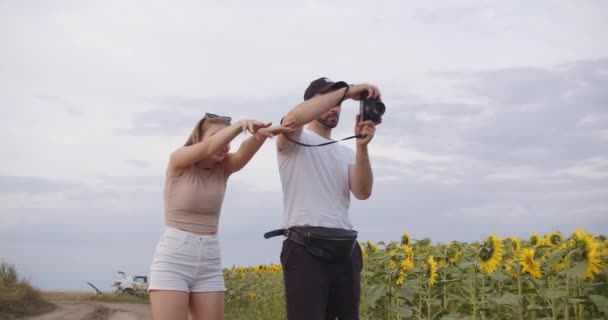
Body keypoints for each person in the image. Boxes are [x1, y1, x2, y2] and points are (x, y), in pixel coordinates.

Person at [148, 113, 294, 320]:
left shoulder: (223, 168)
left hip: (209, 259)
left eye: (229, 139)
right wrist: (237, 126)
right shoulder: (178, 160)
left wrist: (261, 135)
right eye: (219, 136)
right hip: (174, 259)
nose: (226, 143)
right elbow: (209, 148)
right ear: (199, 138)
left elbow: (244, 151)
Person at [274, 77, 382, 319]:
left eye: (339, 103)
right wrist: (348, 92)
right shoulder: (296, 140)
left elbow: (363, 192)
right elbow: (293, 118)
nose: (335, 107)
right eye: (328, 100)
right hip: (304, 247)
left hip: (345, 247)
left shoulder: (345, 151)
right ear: (311, 104)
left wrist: (362, 147)